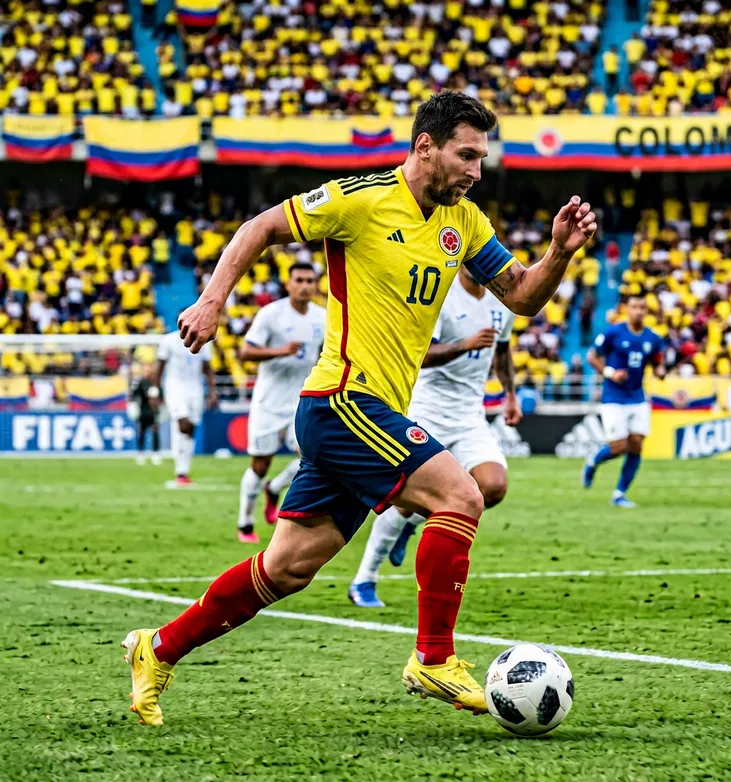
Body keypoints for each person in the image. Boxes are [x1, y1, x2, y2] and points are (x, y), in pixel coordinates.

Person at [122, 91, 596, 725]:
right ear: (425, 146)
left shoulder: (465, 223)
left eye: (481, 158)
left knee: (286, 568)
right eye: (466, 155)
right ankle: (433, 657)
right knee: (461, 495)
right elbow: (260, 227)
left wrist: (560, 252)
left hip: (365, 412)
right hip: (344, 399)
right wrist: (211, 301)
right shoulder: (361, 199)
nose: (476, 171)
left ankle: (158, 648)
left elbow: (522, 297)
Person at [349, 265, 520, 608]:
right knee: (404, 499)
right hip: (427, 410)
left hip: (469, 415)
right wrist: (464, 345)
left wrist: (510, 395)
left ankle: (412, 525)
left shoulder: (502, 301)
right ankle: (364, 579)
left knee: (493, 486)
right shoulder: (440, 296)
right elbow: (421, 355)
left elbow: (501, 351)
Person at [236, 265, 325, 543]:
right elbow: (245, 352)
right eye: (299, 280)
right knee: (260, 464)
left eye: (310, 281)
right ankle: (245, 523)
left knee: (312, 458)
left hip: (303, 399)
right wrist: (280, 351)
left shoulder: (323, 317)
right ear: (288, 284)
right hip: (270, 401)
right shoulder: (271, 314)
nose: (305, 286)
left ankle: (275, 488)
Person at [582, 294, 665, 507]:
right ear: (627, 309)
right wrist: (610, 373)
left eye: (642, 308)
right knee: (618, 447)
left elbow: (657, 362)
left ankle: (619, 494)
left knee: (636, 444)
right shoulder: (613, 332)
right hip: (613, 397)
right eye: (634, 307)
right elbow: (591, 356)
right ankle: (593, 460)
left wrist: (660, 371)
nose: (638, 311)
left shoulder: (653, 338)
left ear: (646, 311)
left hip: (638, 397)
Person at [154, 328, 217, 486]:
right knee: (183, 423)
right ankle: (180, 469)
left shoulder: (204, 340)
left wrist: (212, 391)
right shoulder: (169, 340)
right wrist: (155, 390)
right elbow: (160, 366)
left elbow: (207, 368)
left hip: (195, 387)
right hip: (174, 386)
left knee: (190, 429)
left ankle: (183, 472)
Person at [129, 363, 162, 466]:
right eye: (147, 370)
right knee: (141, 432)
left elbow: (162, 397)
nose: (149, 372)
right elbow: (134, 395)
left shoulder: (156, 383)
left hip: (154, 412)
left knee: (155, 432)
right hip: (143, 411)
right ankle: (141, 453)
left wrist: (157, 401)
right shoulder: (141, 383)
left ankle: (156, 453)